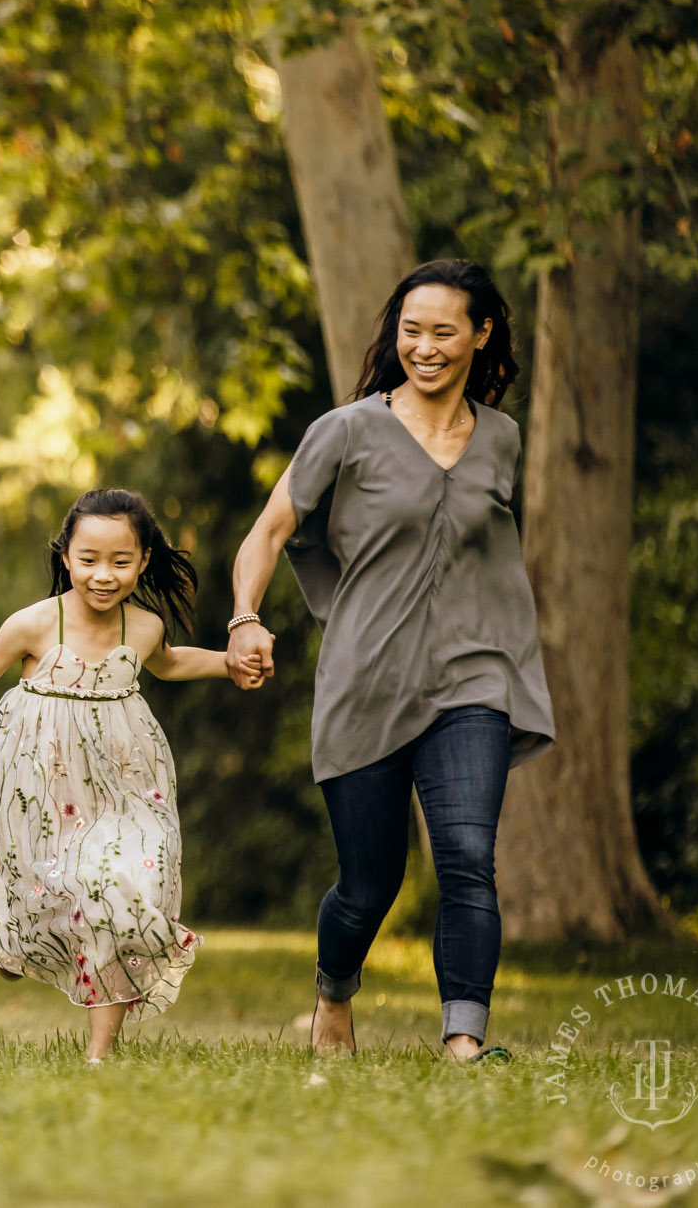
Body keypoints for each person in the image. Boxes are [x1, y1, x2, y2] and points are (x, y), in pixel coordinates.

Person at [225, 258, 554, 1062]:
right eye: (412, 330)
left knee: (469, 858)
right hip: (364, 681)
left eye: (445, 331)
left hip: (473, 677)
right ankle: (333, 994)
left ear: (481, 334)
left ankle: (464, 1043)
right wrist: (244, 618)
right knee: (371, 885)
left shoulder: (502, 438)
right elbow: (270, 531)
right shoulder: (346, 431)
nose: (426, 347)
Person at [0, 489, 244, 1063]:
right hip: (35, 782)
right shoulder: (33, 624)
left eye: (121, 561)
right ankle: (18, 942)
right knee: (42, 890)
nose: (104, 575)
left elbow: (168, 663)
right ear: (65, 556)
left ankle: (100, 1053)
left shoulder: (143, 626)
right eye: (89, 559)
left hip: (123, 784)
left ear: (143, 561)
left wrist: (228, 663)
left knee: (122, 889)